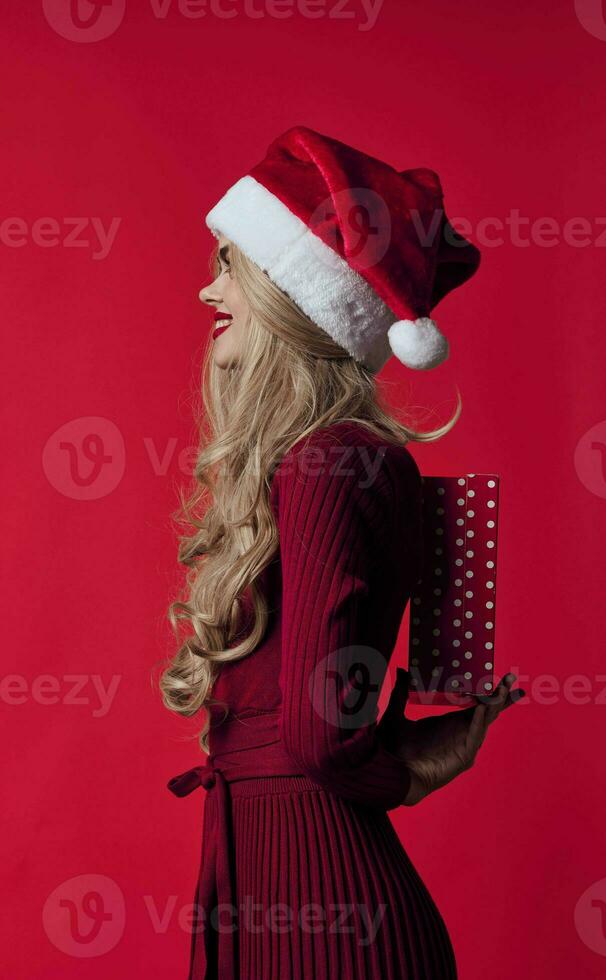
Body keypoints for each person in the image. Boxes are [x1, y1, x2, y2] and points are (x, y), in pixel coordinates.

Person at [158, 126, 525, 978]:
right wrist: (402, 765)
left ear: (294, 296)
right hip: (296, 892)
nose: (208, 290)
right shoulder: (336, 458)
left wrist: (406, 779)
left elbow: (322, 736)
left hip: (322, 919)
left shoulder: (327, 461)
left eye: (229, 267)